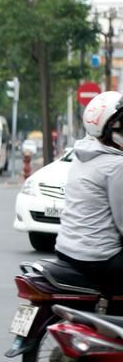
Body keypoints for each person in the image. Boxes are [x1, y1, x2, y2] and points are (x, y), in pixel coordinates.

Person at [55, 91, 123, 294]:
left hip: (66, 250)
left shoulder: (82, 154)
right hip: (98, 259)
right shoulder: (116, 165)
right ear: (109, 128)